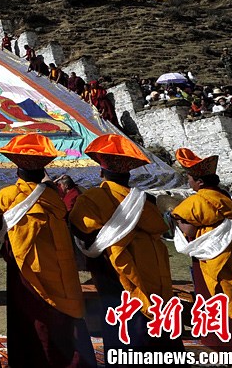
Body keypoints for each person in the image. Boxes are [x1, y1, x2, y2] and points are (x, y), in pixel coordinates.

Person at [68, 134, 184, 355]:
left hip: (113, 270)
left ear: (101, 171)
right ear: (129, 173)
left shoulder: (91, 199)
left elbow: (85, 236)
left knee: (124, 318)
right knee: (156, 313)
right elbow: (159, 227)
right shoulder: (145, 200)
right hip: (153, 266)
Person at [0, 135, 96, 368]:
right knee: (60, 317)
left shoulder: (7, 196)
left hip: (25, 270)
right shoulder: (53, 197)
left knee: (31, 317)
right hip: (59, 266)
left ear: (18, 169)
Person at [170, 148, 232, 359]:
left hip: (210, 259)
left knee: (216, 298)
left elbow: (190, 231)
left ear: (200, 182)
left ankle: (223, 346)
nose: (189, 182)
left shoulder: (197, 201)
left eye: (190, 178)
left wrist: (174, 220)